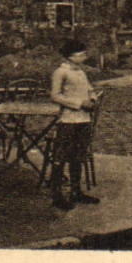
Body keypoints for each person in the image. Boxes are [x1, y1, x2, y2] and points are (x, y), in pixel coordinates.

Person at [48, 39, 101, 210]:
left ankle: (76, 191)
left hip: (83, 119)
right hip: (68, 120)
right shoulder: (60, 72)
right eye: (81, 54)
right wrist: (79, 103)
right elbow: (55, 96)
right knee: (61, 156)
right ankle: (57, 196)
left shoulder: (81, 72)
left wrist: (93, 99)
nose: (84, 57)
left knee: (78, 156)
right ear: (71, 56)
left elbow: (90, 89)